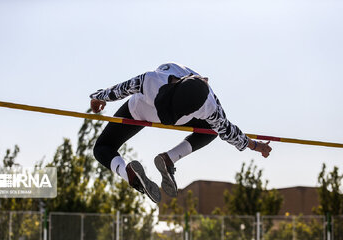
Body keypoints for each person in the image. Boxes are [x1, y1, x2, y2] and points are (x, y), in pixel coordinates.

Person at [90, 63, 272, 203]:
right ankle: (169, 158)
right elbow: (228, 131)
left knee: (103, 147)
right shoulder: (210, 108)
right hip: (171, 116)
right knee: (212, 130)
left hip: (140, 110)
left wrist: (98, 97)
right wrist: (255, 145)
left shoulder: (151, 79)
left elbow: (119, 91)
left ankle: (127, 173)